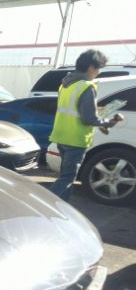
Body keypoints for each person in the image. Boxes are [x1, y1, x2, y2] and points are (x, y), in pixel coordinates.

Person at [49, 49, 123, 201]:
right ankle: (47, 205)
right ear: (91, 67)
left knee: (65, 176)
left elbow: (73, 109)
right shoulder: (86, 87)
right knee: (67, 178)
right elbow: (88, 118)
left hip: (61, 136)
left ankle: (62, 207)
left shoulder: (65, 84)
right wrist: (109, 123)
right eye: (98, 68)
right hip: (75, 139)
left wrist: (97, 111)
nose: (98, 72)